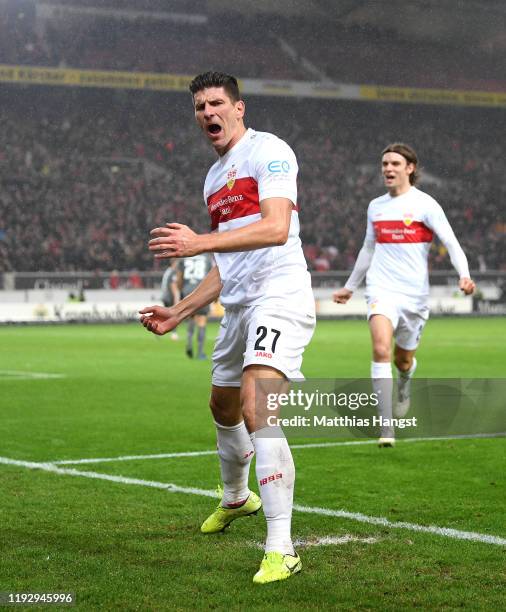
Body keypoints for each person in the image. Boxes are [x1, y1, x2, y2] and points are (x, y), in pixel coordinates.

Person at [139, 71, 315, 584]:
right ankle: (237, 497)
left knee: (257, 404)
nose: (207, 113)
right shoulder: (214, 180)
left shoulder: (269, 151)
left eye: (216, 103)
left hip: (279, 293)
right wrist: (181, 309)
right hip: (238, 304)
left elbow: (277, 227)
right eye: (199, 107)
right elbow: (227, 264)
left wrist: (197, 243)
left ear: (239, 108)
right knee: (222, 404)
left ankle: (282, 546)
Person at [333, 143, 475, 447]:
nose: (387, 168)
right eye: (384, 163)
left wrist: (464, 275)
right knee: (381, 349)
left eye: (395, 163)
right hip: (381, 289)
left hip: (414, 297)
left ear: (410, 168)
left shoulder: (426, 205)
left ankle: (405, 383)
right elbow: (368, 249)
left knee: (402, 359)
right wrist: (350, 286)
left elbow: (450, 242)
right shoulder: (376, 206)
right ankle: (387, 427)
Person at [178, 253, 213, 359]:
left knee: (190, 318)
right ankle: (200, 352)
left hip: (187, 289)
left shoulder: (184, 257)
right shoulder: (207, 258)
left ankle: (188, 344)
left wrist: (181, 292)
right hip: (201, 290)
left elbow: (180, 278)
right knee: (201, 320)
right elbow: (211, 277)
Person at [161, 260, 181, 340]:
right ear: (174, 263)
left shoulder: (167, 271)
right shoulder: (173, 272)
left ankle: (158, 327)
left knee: (167, 316)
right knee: (174, 316)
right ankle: (174, 333)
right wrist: (176, 299)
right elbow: (173, 285)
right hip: (170, 296)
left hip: (164, 296)